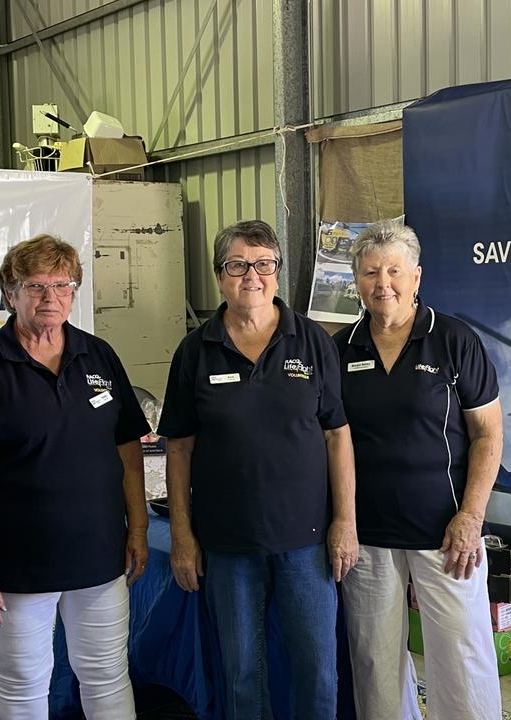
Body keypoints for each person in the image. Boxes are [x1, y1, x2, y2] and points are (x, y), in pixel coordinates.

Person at [0, 235, 151, 720]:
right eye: (36, 286)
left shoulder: (99, 357)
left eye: (62, 285)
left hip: (99, 558)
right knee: (25, 686)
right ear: (10, 293)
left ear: (74, 291)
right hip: (17, 568)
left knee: (107, 676)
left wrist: (137, 529)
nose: (51, 297)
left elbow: (128, 451)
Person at [158, 220, 358, 720]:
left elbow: (338, 436)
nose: (253, 276)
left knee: (317, 670)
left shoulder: (312, 342)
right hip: (227, 547)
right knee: (241, 674)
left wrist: (345, 522)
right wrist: (182, 536)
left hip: (307, 543)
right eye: (238, 265)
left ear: (277, 272)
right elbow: (178, 449)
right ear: (220, 277)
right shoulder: (194, 351)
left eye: (264, 264)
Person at [333, 220, 504, 720]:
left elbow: (488, 436)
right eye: (369, 272)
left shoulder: (453, 340)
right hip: (367, 535)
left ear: (417, 277)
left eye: (394, 270)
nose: (382, 283)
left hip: (447, 533)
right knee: (374, 661)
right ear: (357, 282)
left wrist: (471, 516)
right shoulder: (340, 350)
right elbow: (329, 440)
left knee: (461, 656)